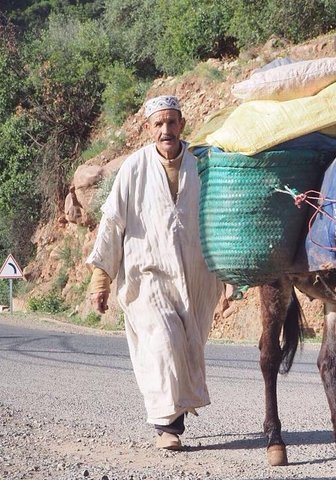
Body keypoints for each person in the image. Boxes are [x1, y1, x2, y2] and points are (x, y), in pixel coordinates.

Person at [86, 95, 224, 450]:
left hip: (195, 277)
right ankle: (167, 425)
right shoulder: (134, 167)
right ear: (149, 129)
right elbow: (112, 223)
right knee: (164, 341)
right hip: (145, 274)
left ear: (182, 124)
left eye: (172, 122)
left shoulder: (202, 163)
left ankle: (174, 413)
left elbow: (222, 216)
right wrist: (100, 280)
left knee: (187, 343)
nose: (166, 130)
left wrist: (230, 274)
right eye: (159, 124)